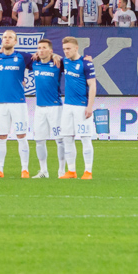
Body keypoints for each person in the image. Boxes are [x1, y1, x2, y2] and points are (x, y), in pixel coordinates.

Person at [0, 30, 32, 178]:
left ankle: (25, 169)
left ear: (15, 41)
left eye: (10, 37)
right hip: (1, 103)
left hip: (18, 103)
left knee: (21, 135)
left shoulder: (22, 57)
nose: (6, 39)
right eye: (4, 37)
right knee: (1, 136)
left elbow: (40, 61)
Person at [60, 36, 98, 180]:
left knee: (85, 138)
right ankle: (71, 171)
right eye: (64, 49)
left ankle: (88, 171)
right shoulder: (64, 61)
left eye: (68, 48)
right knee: (67, 138)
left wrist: (90, 106)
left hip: (81, 107)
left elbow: (92, 85)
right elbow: (52, 57)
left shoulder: (86, 64)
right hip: (67, 106)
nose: (66, 51)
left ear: (76, 48)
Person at [27, 38, 65, 178]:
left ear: (51, 50)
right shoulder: (34, 63)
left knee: (60, 140)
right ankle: (43, 171)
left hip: (55, 107)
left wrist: (57, 56)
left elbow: (72, 61)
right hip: (39, 108)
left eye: (44, 48)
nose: (41, 50)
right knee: (39, 140)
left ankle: (61, 171)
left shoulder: (58, 63)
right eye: (39, 48)